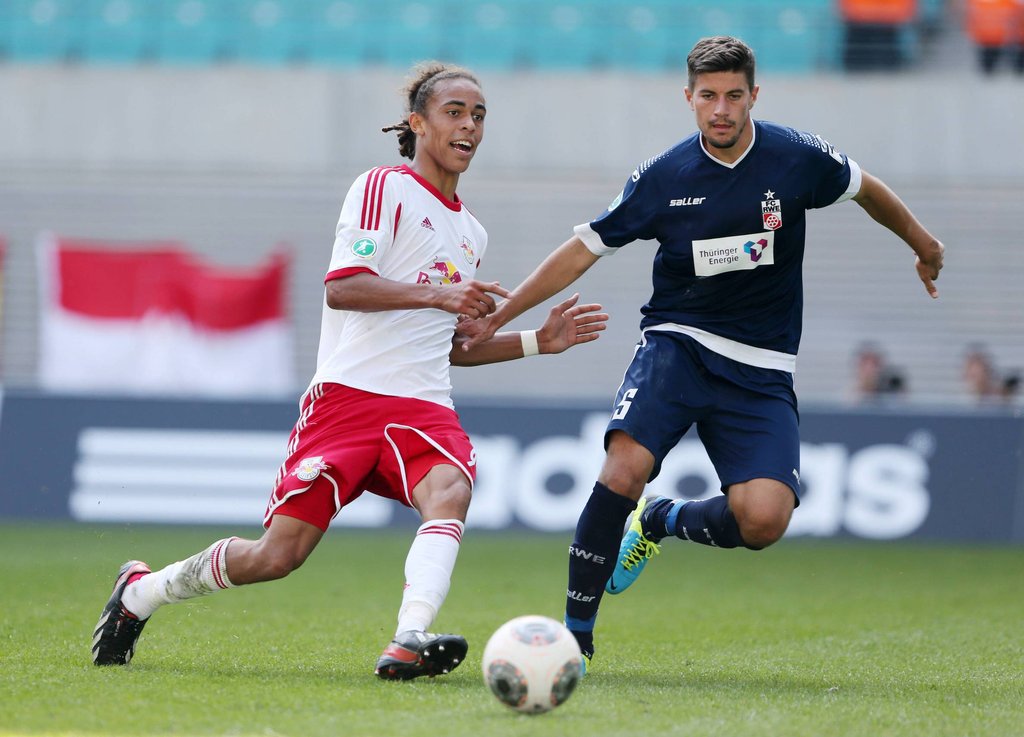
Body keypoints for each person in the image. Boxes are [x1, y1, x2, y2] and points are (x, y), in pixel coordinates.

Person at [91, 62, 608, 680]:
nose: (469, 125)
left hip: (422, 407)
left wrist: (536, 343)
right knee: (278, 556)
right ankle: (142, 594)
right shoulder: (382, 187)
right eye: (454, 112)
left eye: (478, 115)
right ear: (418, 123)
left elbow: (452, 348)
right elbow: (345, 287)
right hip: (347, 401)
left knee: (452, 491)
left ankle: (409, 637)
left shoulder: (472, 231)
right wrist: (439, 295)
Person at [461, 36, 944, 670]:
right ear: (689, 98)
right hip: (678, 343)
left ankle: (661, 520)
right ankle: (574, 635)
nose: (721, 109)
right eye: (708, 96)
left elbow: (864, 188)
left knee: (764, 520)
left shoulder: (795, 157)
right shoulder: (664, 177)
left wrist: (923, 242)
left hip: (763, 367)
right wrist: (502, 313)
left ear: (754, 96)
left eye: (734, 96)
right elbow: (583, 248)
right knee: (623, 468)